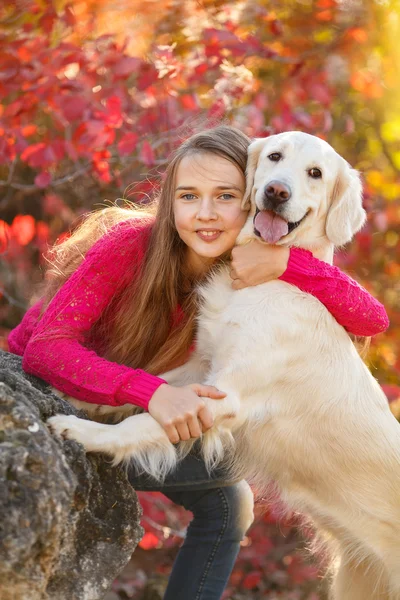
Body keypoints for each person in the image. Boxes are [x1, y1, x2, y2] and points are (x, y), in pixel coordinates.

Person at [8, 125, 389, 600]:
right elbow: (47, 350)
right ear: (170, 201)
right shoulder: (131, 244)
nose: (206, 213)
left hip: (122, 404)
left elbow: (371, 317)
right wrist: (152, 395)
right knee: (230, 486)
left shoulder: (244, 261)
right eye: (189, 196)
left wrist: (287, 264)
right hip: (45, 397)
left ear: (247, 197)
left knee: (230, 499)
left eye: (225, 195)